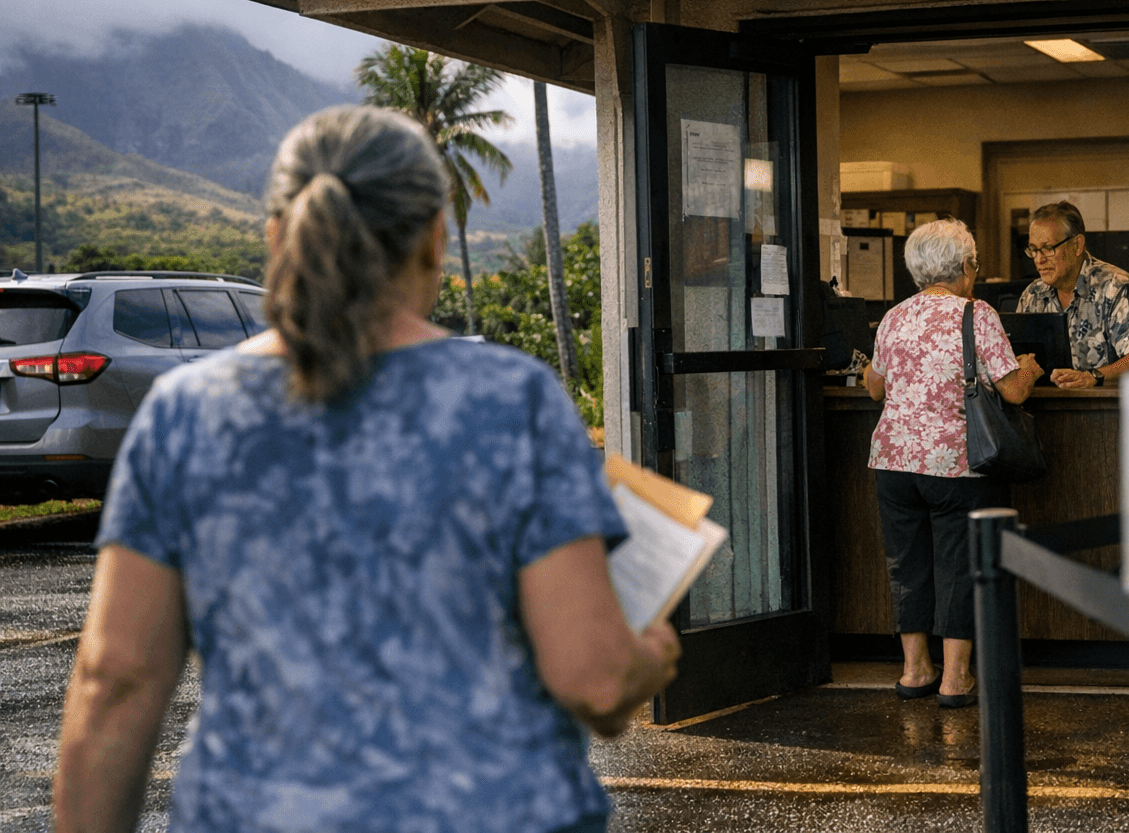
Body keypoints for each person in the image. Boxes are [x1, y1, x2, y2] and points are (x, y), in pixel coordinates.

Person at [54, 105, 678, 833]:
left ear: (276, 236)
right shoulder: (508, 402)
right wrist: (650, 655)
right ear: (434, 240)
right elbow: (595, 679)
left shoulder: (185, 414)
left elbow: (116, 682)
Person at [861, 219, 1043, 708]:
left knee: (908, 565)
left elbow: (875, 388)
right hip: (957, 464)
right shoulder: (975, 314)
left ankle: (915, 669)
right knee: (958, 565)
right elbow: (1014, 390)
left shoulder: (894, 316)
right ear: (966, 266)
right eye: (975, 264)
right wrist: (1031, 365)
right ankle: (955, 678)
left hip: (894, 463)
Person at [1016, 201, 1129, 389]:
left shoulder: (1117, 286)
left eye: (1048, 248)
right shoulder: (1032, 295)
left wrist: (1093, 377)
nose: (1039, 259)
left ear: (1077, 245)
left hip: (1113, 408)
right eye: (1034, 250)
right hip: (1051, 408)